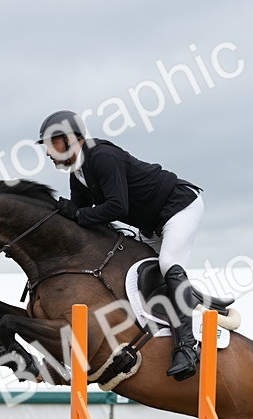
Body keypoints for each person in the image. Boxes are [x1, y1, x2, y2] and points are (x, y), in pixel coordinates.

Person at [37, 110, 205, 381]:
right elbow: (79, 217)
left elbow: (117, 206)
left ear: (70, 139)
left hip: (179, 207)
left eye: (51, 144)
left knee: (168, 264)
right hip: (151, 224)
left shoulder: (102, 157)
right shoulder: (77, 174)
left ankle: (187, 346)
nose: (47, 153)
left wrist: (77, 214)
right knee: (141, 274)